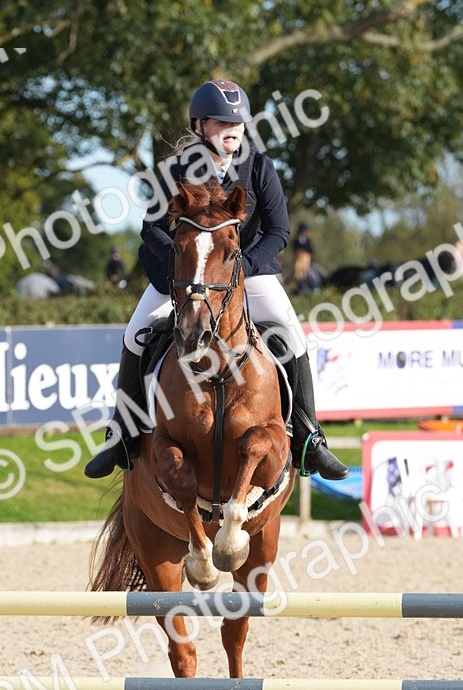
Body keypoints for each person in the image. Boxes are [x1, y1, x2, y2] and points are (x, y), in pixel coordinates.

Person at [84, 78, 348, 481]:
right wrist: (181, 261)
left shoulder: (258, 166)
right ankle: (120, 434)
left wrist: (243, 264)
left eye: (238, 123)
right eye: (224, 122)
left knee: (295, 337)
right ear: (200, 125)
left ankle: (310, 439)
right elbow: (150, 228)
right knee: (134, 335)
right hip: (185, 273)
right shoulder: (175, 170)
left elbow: (279, 231)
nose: (233, 130)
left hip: (247, 273)